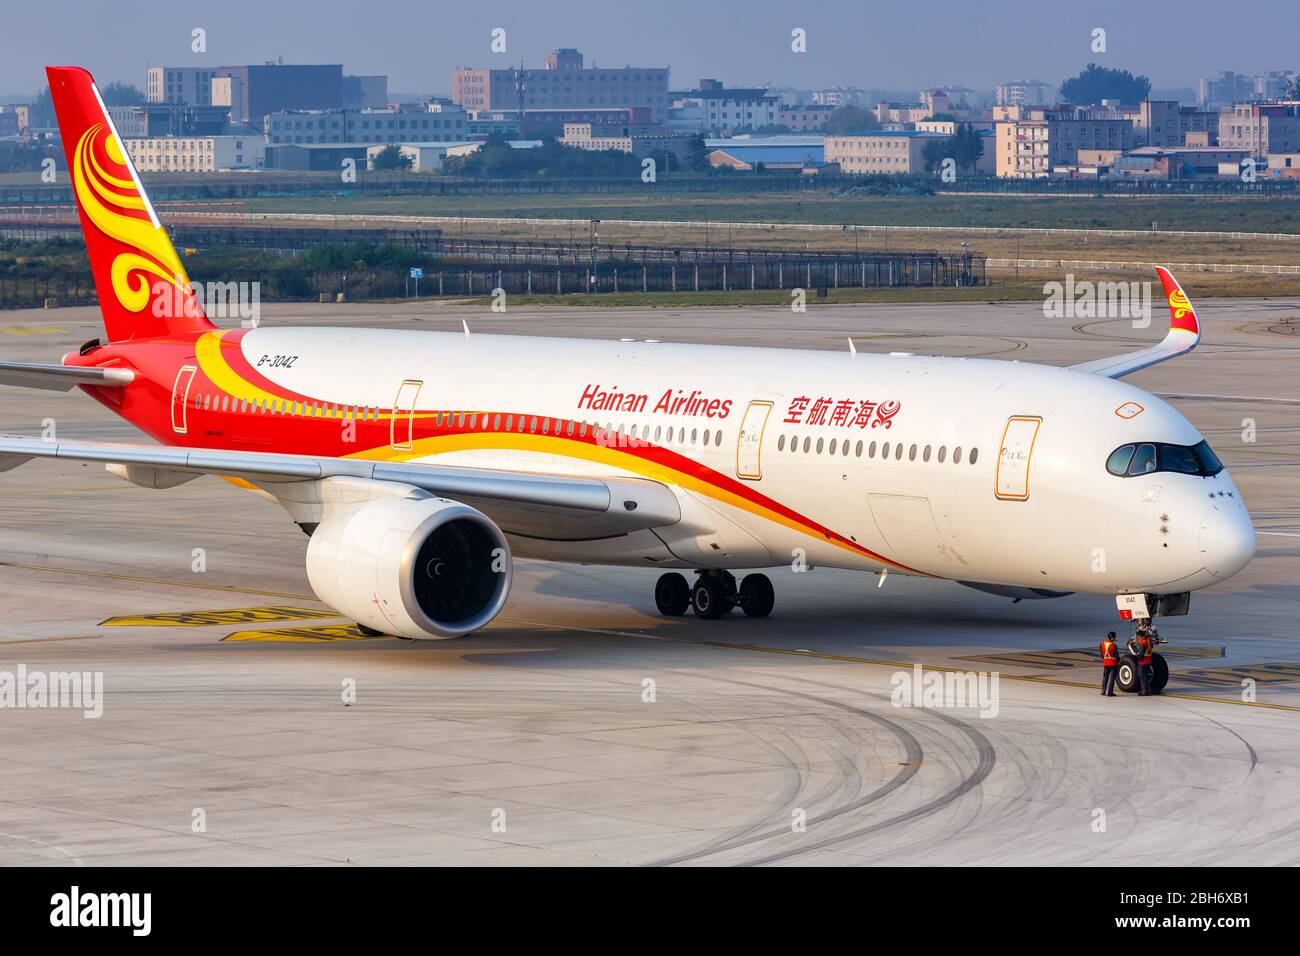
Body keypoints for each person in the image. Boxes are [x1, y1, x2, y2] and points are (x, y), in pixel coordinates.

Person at [1134, 624, 1154, 696]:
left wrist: (1137, 656)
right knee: (1146, 676)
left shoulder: (1142, 643)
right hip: (1148, 661)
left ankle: (1144, 691)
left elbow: (1141, 654)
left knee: (1142, 677)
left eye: (1137, 637)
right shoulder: (1149, 641)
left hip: (1142, 662)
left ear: (1140, 636)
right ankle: (1149, 690)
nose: (1137, 639)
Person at [1100, 631, 1120, 696]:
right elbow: (1116, 656)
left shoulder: (1102, 644)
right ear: (1112, 638)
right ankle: (1110, 692)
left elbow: (1102, 655)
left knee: (1105, 677)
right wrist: (1118, 661)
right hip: (1113, 663)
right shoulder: (1114, 645)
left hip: (1106, 663)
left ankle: (1103, 691)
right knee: (1112, 678)